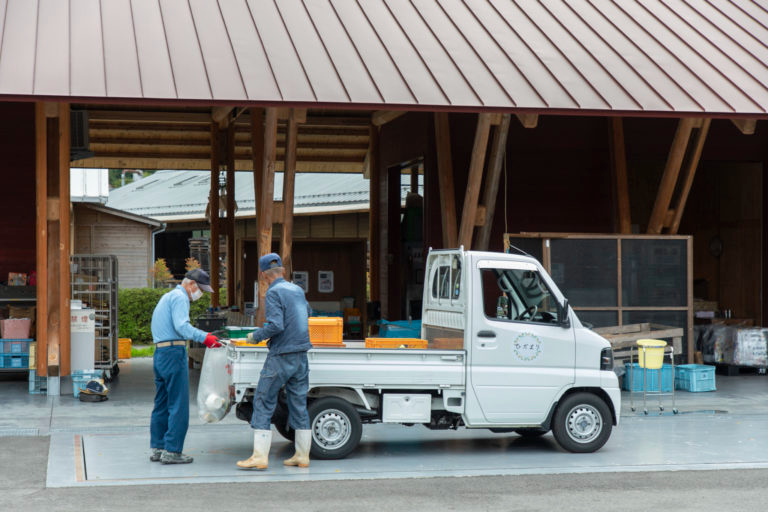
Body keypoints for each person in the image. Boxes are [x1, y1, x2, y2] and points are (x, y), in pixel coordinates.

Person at [237, 253, 313, 470]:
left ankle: (260, 457)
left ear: (263, 276)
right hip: (301, 355)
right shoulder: (297, 290)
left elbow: (276, 325)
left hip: (281, 355)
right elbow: (308, 312)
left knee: (263, 400)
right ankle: (302, 455)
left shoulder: (273, 292)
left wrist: (255, 336)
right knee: (298, 403)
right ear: (282, 271)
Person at [150, 268, 222, 465]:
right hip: (174, 353)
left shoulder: (167, 297)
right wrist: (205, 337)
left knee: (162, 403)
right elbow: (182, 326)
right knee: (178, 404)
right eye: (200, 290)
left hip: (160, 353)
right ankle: (173, 451)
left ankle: (158, 447)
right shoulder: (180, 298)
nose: (200, 294)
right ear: (190, 284)